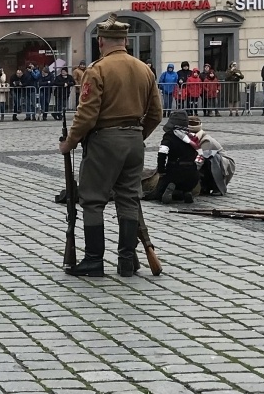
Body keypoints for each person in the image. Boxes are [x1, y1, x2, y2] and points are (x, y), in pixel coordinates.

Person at [59, 20, 163, 277]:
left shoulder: (97, 69)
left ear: (100, 42)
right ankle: (126, 260)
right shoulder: (144, 70)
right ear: (125, 41)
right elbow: (156, 114)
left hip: (104, 141)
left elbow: (87, 114)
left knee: (93, 200)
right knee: (128, 199)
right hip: (134, 140)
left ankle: (94, 260)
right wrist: (138, 137)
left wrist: (69, 143)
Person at [146, 110, 201, 204]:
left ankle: (170, 186)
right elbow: (199, 156)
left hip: (175, 172)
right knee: (184, 185)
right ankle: (187, 192)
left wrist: (161, 169)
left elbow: (162, 153)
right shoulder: (191, 137)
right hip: (192, 175)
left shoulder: (170, 136)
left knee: (158, 194)